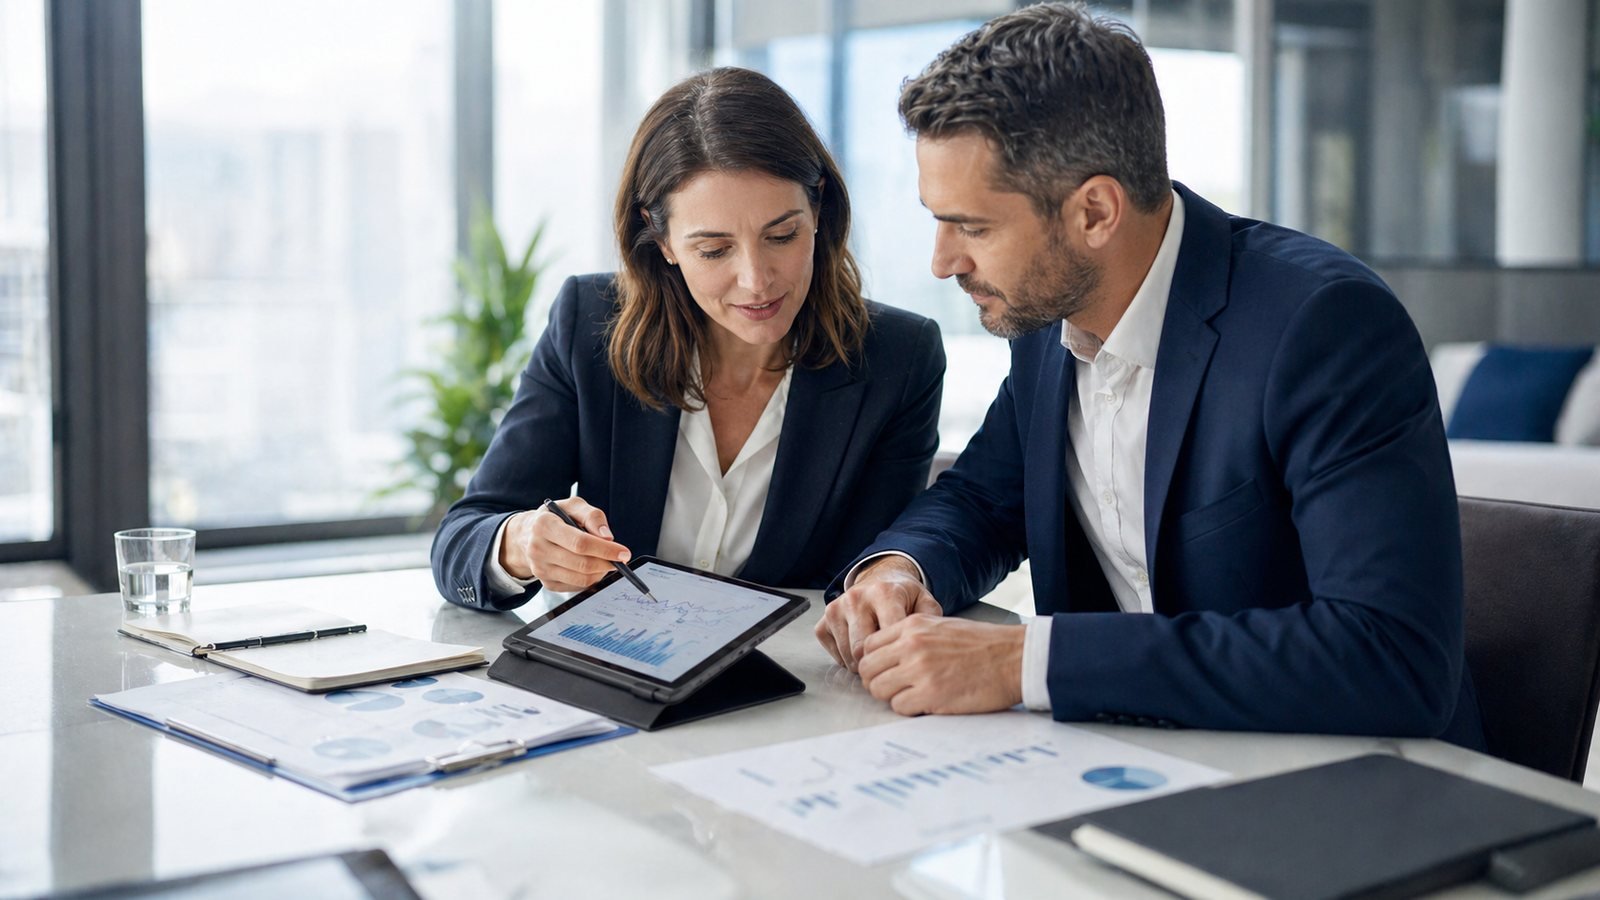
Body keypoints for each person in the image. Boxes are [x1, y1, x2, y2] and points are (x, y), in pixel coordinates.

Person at [815, 2, 1485, 748]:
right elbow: (982, 498)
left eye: (973, 227)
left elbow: (1392, 658)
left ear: (1095, 212)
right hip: (1132, 761)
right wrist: (899, 571)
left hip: (1351, 785)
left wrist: (1026, 661)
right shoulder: (1046, 317)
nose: (943, 262)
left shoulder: (1322, 328)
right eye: (938, 221)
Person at [432, 67, 944, 612]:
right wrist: (519, 544)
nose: (757, 279)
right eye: (714, 250)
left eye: (782, 235)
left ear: (818, 208)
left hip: (793, 685)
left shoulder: (899, 359)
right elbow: (462, 537)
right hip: (614, 675)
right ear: (663, 240)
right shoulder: (587, 325)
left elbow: (875, 573)